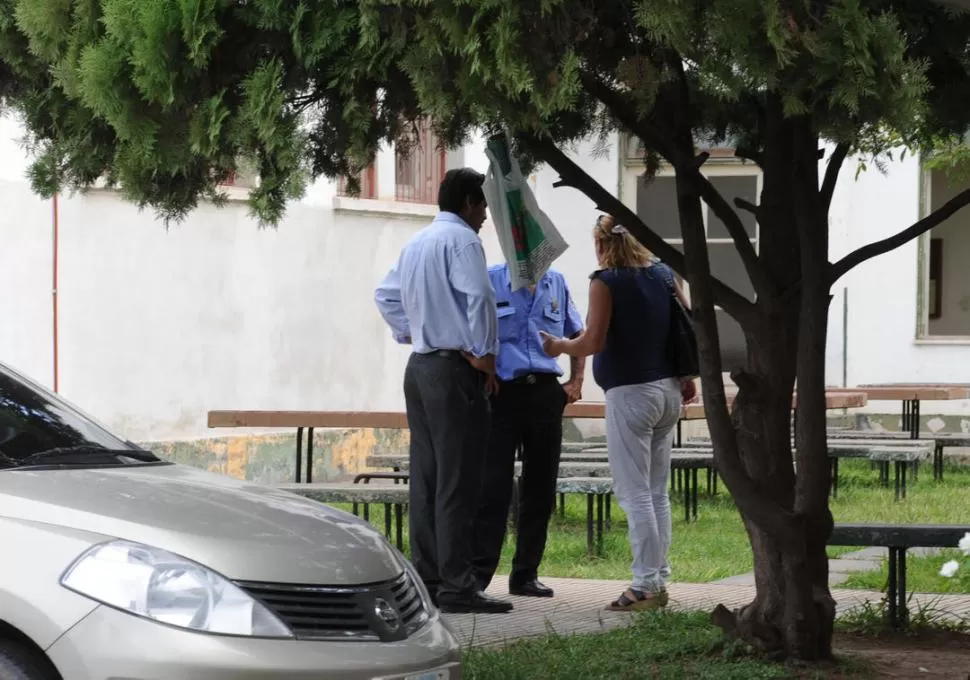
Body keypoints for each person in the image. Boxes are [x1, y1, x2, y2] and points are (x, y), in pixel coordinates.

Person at [540, 214, 697, 612]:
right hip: (668, 390)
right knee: (657, 491)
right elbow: (686, 323)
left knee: (634, 493)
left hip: (631, 393)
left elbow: (592, 341)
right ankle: (659, 577)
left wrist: (558, 346)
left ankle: (644, 585)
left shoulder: (605, 281)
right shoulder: (663, 274)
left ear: (602, 244)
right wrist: (686, 373)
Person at [374, 168, 513, 614]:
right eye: (484, 206)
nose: (486, 216)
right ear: (470, 203)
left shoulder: (418, 242)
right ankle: (457, 584)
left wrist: (414, 332)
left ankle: (429, 579)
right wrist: (484, 353)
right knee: (459, 480)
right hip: (456, 368)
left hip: (421, 368)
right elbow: (480, 298)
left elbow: (385, 296)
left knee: (428, 478)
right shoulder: (463, 241)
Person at [471, 264, 585, 598]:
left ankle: (525, 574)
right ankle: (479, 574)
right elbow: (472, 331)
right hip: (503, 390)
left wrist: (576, 381)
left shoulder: (557, 282)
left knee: (541, 485)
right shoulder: (491, 279)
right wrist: (483, 371)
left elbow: (577, 334)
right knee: (493, 485)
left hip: (546, 392)